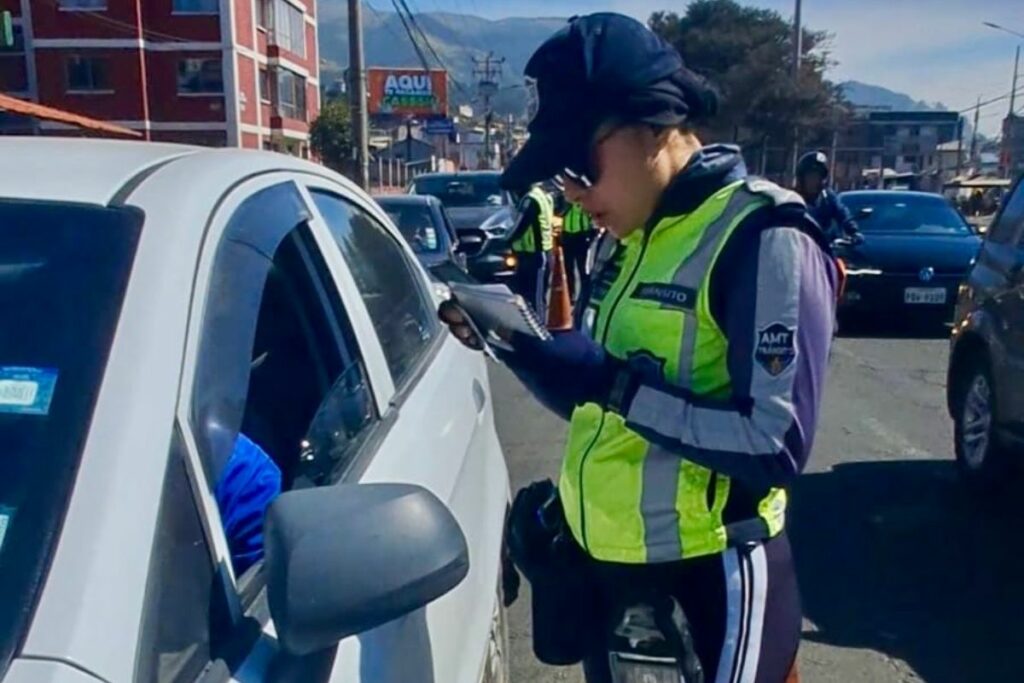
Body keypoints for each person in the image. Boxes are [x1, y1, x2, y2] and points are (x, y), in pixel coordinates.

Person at [440, 13, 838, 683]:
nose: (570, 191)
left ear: (654, 124)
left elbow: (775, 444)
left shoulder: (764, 238)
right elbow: (616, 404)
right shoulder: (626, 242)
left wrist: (610, 386)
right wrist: (526, 353)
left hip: (711, 580)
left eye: (578, 163)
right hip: (616, 575)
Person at [508, 181, 555, 320]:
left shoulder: (531, 200)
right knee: (528, 296)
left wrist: (504, 240)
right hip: (531, 254)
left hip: (537, 254)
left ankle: (540, 333)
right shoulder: (541, 195)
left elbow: (519, 227)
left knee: (536, 298)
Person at [795, 151, 860, 242]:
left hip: (825, 248)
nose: (814, 181)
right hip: (800, 247)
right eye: (811, 177)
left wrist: (853, 230)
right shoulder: (793, 199)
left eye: (818, 177)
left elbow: (842, 214)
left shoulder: (828, 197)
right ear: (802, 179)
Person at [560, 201, 596, 303]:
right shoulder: (565, 201)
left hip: (581, 237)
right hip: (567, 237)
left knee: (583, 270)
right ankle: (570, 296)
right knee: (568, 269)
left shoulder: (585, 201)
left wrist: (590, 236)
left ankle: (585, 297)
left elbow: (593, 219)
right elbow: (559, 214)